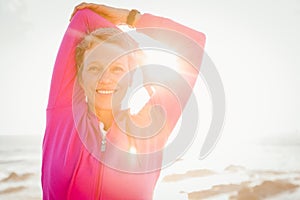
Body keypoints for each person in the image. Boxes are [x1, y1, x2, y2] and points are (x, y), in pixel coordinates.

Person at [42, 3, 205, 199]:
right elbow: (83, 17)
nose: (105, 77)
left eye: (117, 69)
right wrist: (133, 47)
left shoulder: (151, 130)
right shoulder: (63, 120)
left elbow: (194, 44)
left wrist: (132, 18)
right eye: (94, 68)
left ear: (131, 78)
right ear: (80, 78)